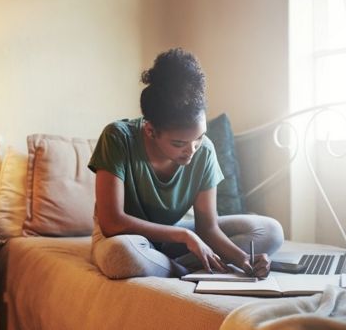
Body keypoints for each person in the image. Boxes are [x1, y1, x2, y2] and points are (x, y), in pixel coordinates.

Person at [88, 48, 284, 279]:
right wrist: (184, 236)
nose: (191, 150)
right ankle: (187, 270)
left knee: (271, 231)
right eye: (179, 142)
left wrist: (244, 261)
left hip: (172, 239)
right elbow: (112, 222)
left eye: (199, 138)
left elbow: (207, 228)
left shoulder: (205, 151)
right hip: (126, 238)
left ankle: (167, 265)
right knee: (120, 256)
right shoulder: (118, 138)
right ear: (151, 130)